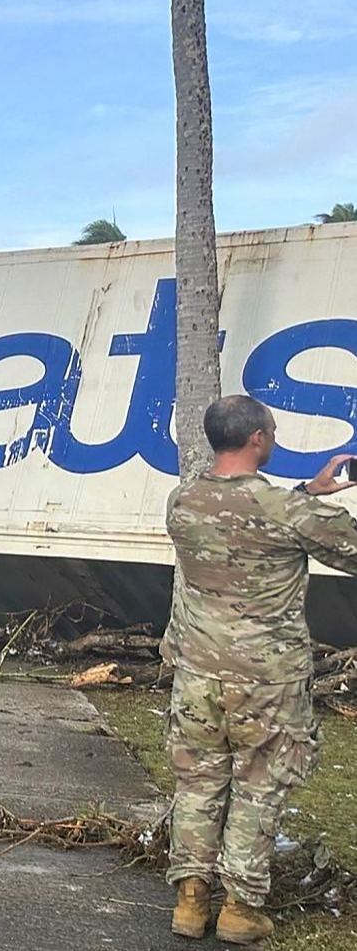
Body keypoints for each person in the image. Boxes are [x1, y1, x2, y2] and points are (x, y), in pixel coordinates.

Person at [164, 394, 357, 944]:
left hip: (197, 673)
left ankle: (191, 901)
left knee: (198, 783)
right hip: (266, 682)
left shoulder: (183, 500)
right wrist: (315, 504)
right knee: (258, 785)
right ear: (257, 439)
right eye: (271, 431)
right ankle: (241, 907)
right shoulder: (287, 513)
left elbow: (242, 522)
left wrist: (305, 495)